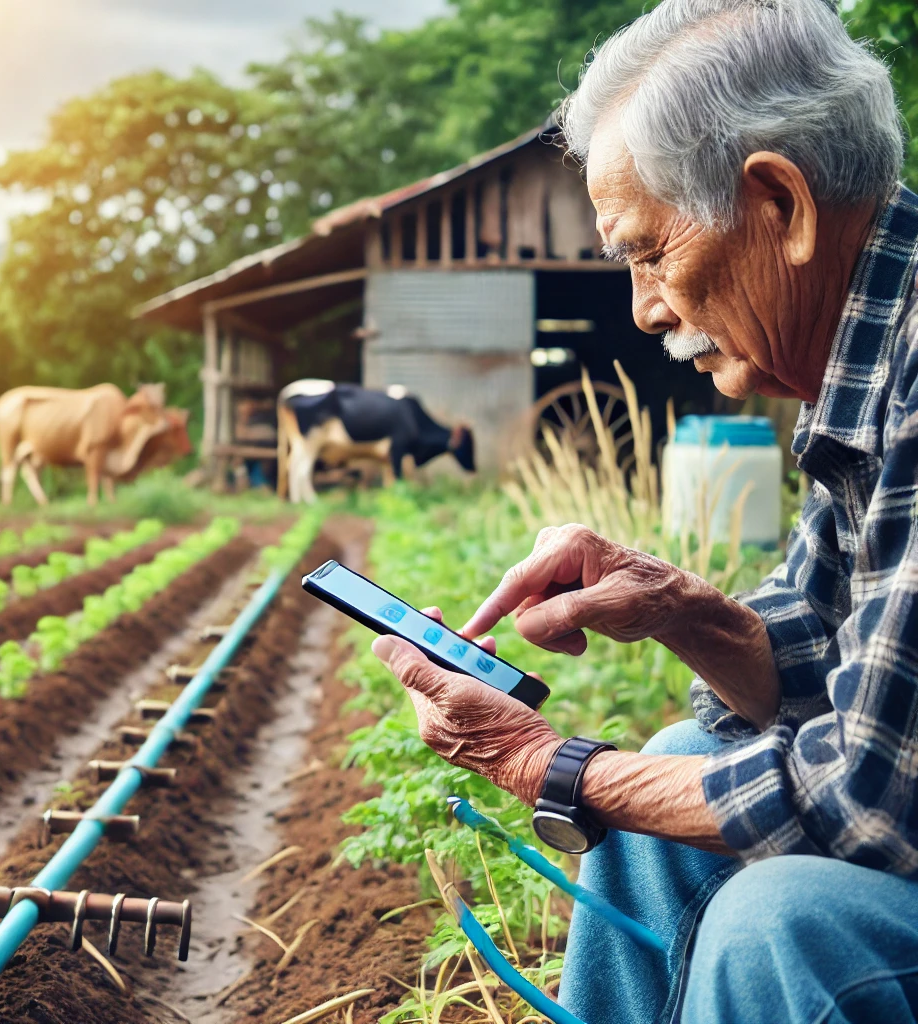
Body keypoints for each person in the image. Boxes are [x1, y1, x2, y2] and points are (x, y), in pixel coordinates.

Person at [370, 1, 918, 1021]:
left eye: (647, 253)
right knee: (671, 769)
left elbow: (873, 798)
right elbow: (832, 676)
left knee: (781, 924)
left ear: (778, 205)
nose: (643, 308)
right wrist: (679, 606)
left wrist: (542, 762)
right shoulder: (862, 359)